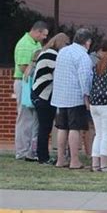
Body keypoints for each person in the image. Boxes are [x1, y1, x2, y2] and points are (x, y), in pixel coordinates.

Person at [51, 28, 93, 169]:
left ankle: (60, 159)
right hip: (75, 97)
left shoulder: (63, 52)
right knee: (75, 128)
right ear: (87, 42)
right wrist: (86, 96)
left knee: (62, 128)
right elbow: (84, 77)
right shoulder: (83, 56)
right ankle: (74, 161)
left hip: (60, 96)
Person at [32, 33, 70, 165]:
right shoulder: (51, 55)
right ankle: (43, 157)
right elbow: (60, 74)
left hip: (41, 94)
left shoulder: (45, 52)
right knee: (45, 127)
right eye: (66, 44)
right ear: (60, 42)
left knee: (43, 127)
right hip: (43, 95)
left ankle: (41, 155)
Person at [13, 21, 48, 161]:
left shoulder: (35, 44)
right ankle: (21, 151)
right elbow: (23, 68)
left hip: (32, 83)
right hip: (24, 82)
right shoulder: (24, 44)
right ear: (37, 31)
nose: (45, 38)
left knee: (34, 118)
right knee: (24, 117)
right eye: (44, 35)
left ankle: (31, 151)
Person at [84, 40, 107, 158]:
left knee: (99, 134)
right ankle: (103, 163)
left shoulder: (96, 65)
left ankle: (95, 162)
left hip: (95, 102)